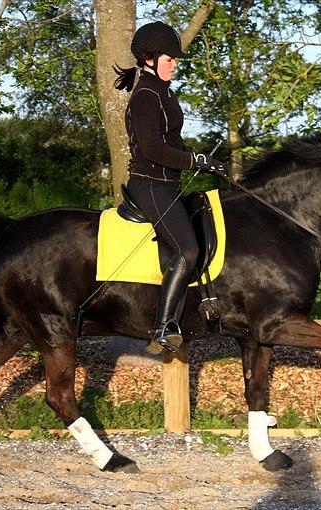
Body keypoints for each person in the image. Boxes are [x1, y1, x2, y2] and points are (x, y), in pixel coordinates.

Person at [114, 21, 224, 355]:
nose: (175, 64)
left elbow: (170, 141)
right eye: (169, 58)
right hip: (150, 186)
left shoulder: (163, 91)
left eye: (175, 59)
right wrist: (195, 160)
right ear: (149, 59)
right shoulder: (146, 96)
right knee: (187, 250)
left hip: (168, 185)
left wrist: (200, 160)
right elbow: (152, 149)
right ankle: (163, 327)